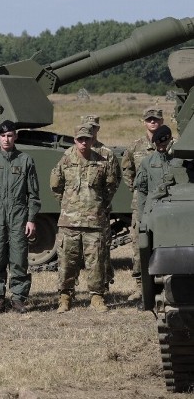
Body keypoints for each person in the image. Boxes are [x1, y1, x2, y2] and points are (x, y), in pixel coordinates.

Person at [50, 125, 120, 313]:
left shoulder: (102, 160)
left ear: (92, 140)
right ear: (75, 140)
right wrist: (68, 205)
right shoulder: (66, 159)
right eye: (80, 139)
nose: (83, 142)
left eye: (87, 139)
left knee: (96, 260)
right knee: (67, 261)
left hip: (94, 221)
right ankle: (65, 297)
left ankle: (97, 297)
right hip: (69, 221)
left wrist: (97, 205)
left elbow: (111, 185)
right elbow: (56, 185)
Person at [0, 120, 41, 314]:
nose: (6, 139)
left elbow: (34, 194)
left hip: (19, 216)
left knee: (19, 258)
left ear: (15, 137)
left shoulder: (25, 160)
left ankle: (18, 298)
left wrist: (31, 218)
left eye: (10, 135)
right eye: (3, 136)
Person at [121, 107, 164, 301]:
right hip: (141, 204)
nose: (152, 122)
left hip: (164, 201)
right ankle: (140, 286)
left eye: (156, 119)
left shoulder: (170, 144)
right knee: (139, 244)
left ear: (161, 122)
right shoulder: (135, 146)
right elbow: (127, 171)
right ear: (144, 122)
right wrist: (138, 192)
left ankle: (164, 283)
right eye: (149, 120)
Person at [81, 114, 122, 293]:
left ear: (98, 129)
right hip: (77, 212)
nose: (91, 129)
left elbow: (113, 182)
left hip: (100, 211)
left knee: (101, 250)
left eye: (94, 127)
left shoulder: (106, 154)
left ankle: (103, 285)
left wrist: (101, 202)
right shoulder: (75, 151)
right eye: (87, 126)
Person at [135, 124, 176, 218]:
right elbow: (142, 190)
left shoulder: (181, 159)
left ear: (170, 139)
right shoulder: (147, 162)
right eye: (158, 145)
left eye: (164, 144)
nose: (161, 148)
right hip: (155, 208)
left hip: (177, 206)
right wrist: (142, 217)